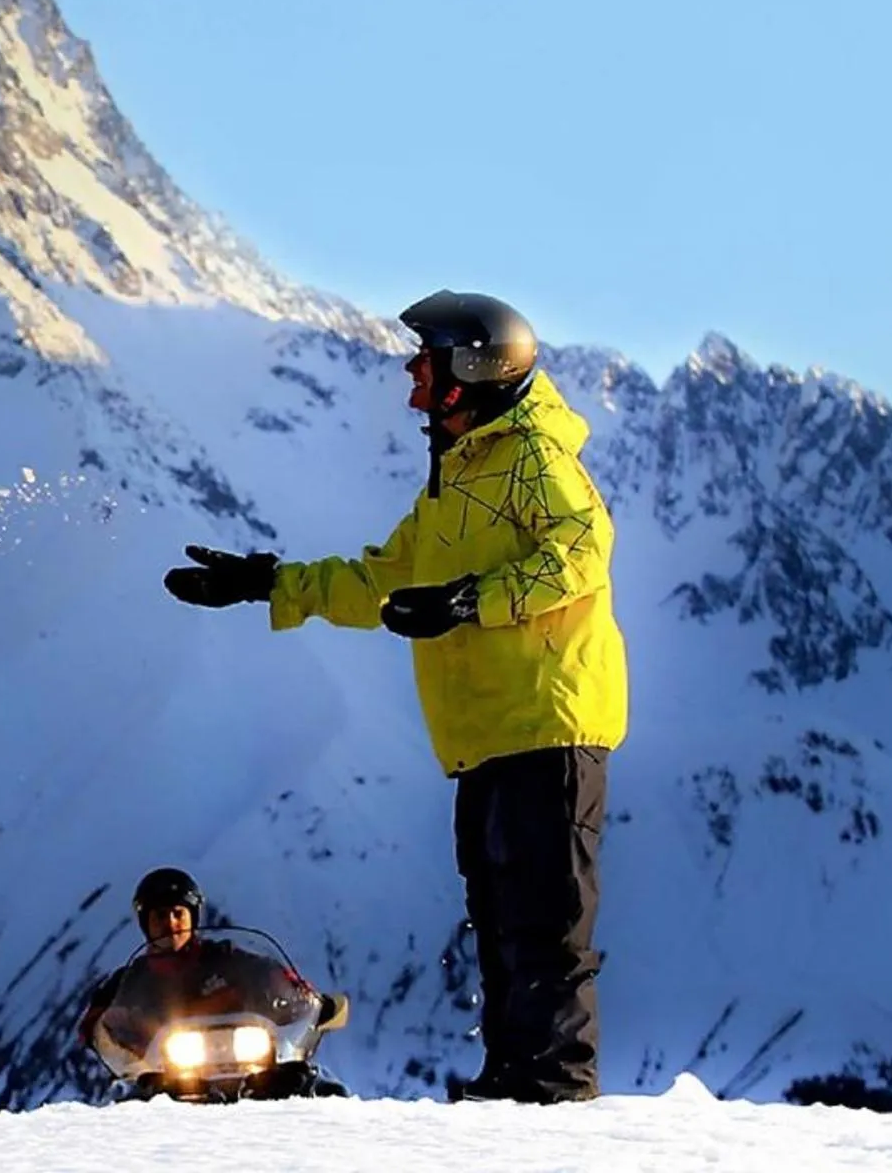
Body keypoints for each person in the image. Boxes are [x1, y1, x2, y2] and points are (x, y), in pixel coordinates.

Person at [163, 290, 627, 1104]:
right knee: (499, 919)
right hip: (484, 736)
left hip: (548, 724)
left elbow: (582, 552)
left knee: (546, 926)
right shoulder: (458, 478)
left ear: (471, 370)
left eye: (427, 361)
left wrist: (467, 601)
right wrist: (267, 584)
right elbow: (378, 578)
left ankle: (553, 1093)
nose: (413, 378)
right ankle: (513, 1086)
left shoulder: (533, 459)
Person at [73, 867, 248, 1046]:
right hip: (159, 1070)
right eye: (160, 915)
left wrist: (270, 992)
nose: (170, 923)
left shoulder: (225, 959)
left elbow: (270, 975)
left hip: (239, 1059)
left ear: (193, 918)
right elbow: (90, 1026)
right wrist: (112, 1025)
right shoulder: (128, 981)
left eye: (178, 914)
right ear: (145, 923)